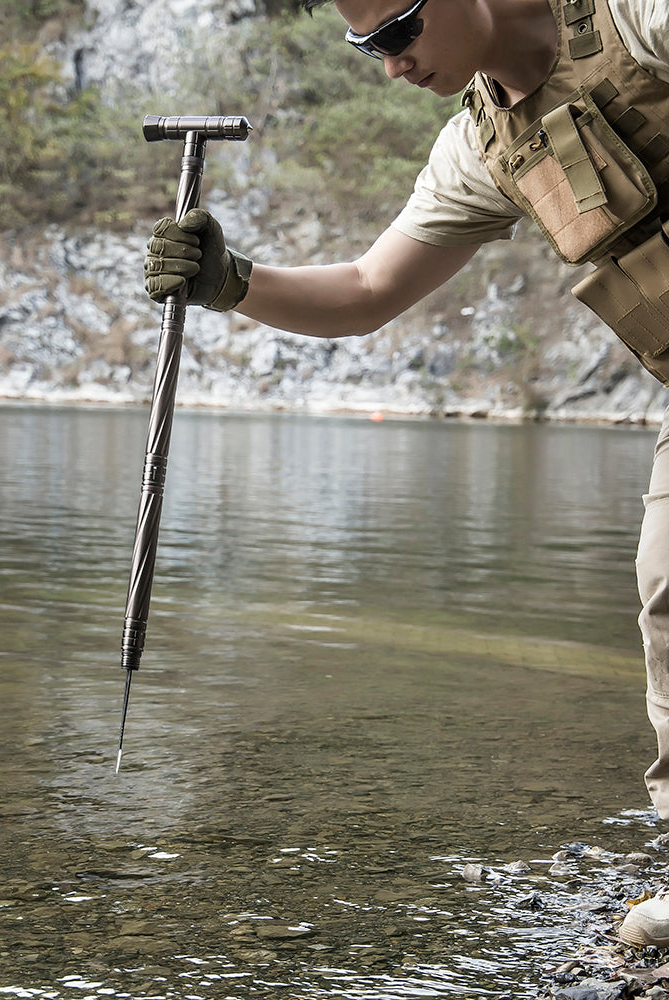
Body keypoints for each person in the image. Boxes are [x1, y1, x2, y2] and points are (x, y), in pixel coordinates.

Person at [144, 0, 669, 944]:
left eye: (396, 33)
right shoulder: (484, 144)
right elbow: (367, 292)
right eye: (364, 47)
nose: (388, 66)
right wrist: (231, 281)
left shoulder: (637, 22)